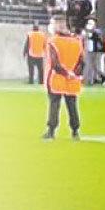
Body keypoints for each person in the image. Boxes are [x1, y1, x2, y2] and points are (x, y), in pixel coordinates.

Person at [42, 12, 84, 140]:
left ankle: (51, 131)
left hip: (56, 78)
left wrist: (66, 73)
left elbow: (55, 63)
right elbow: (81, 62)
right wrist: (73, 73)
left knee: (54, 104)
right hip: (73, 79)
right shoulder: (77, 41)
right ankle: (75, 131)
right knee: (72, 105)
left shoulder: (53, 41)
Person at [23, 20, 47, 85]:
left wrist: (24, 53)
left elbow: (27, 44)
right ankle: (41, 81)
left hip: (31, 55)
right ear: (38, 28)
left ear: (33, 28)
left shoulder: (30, 34)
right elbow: (45, 45)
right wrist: (46, 52)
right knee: (41, 70)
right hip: (40, 55)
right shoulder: (42, 35)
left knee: (31, 69)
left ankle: (31, 81)